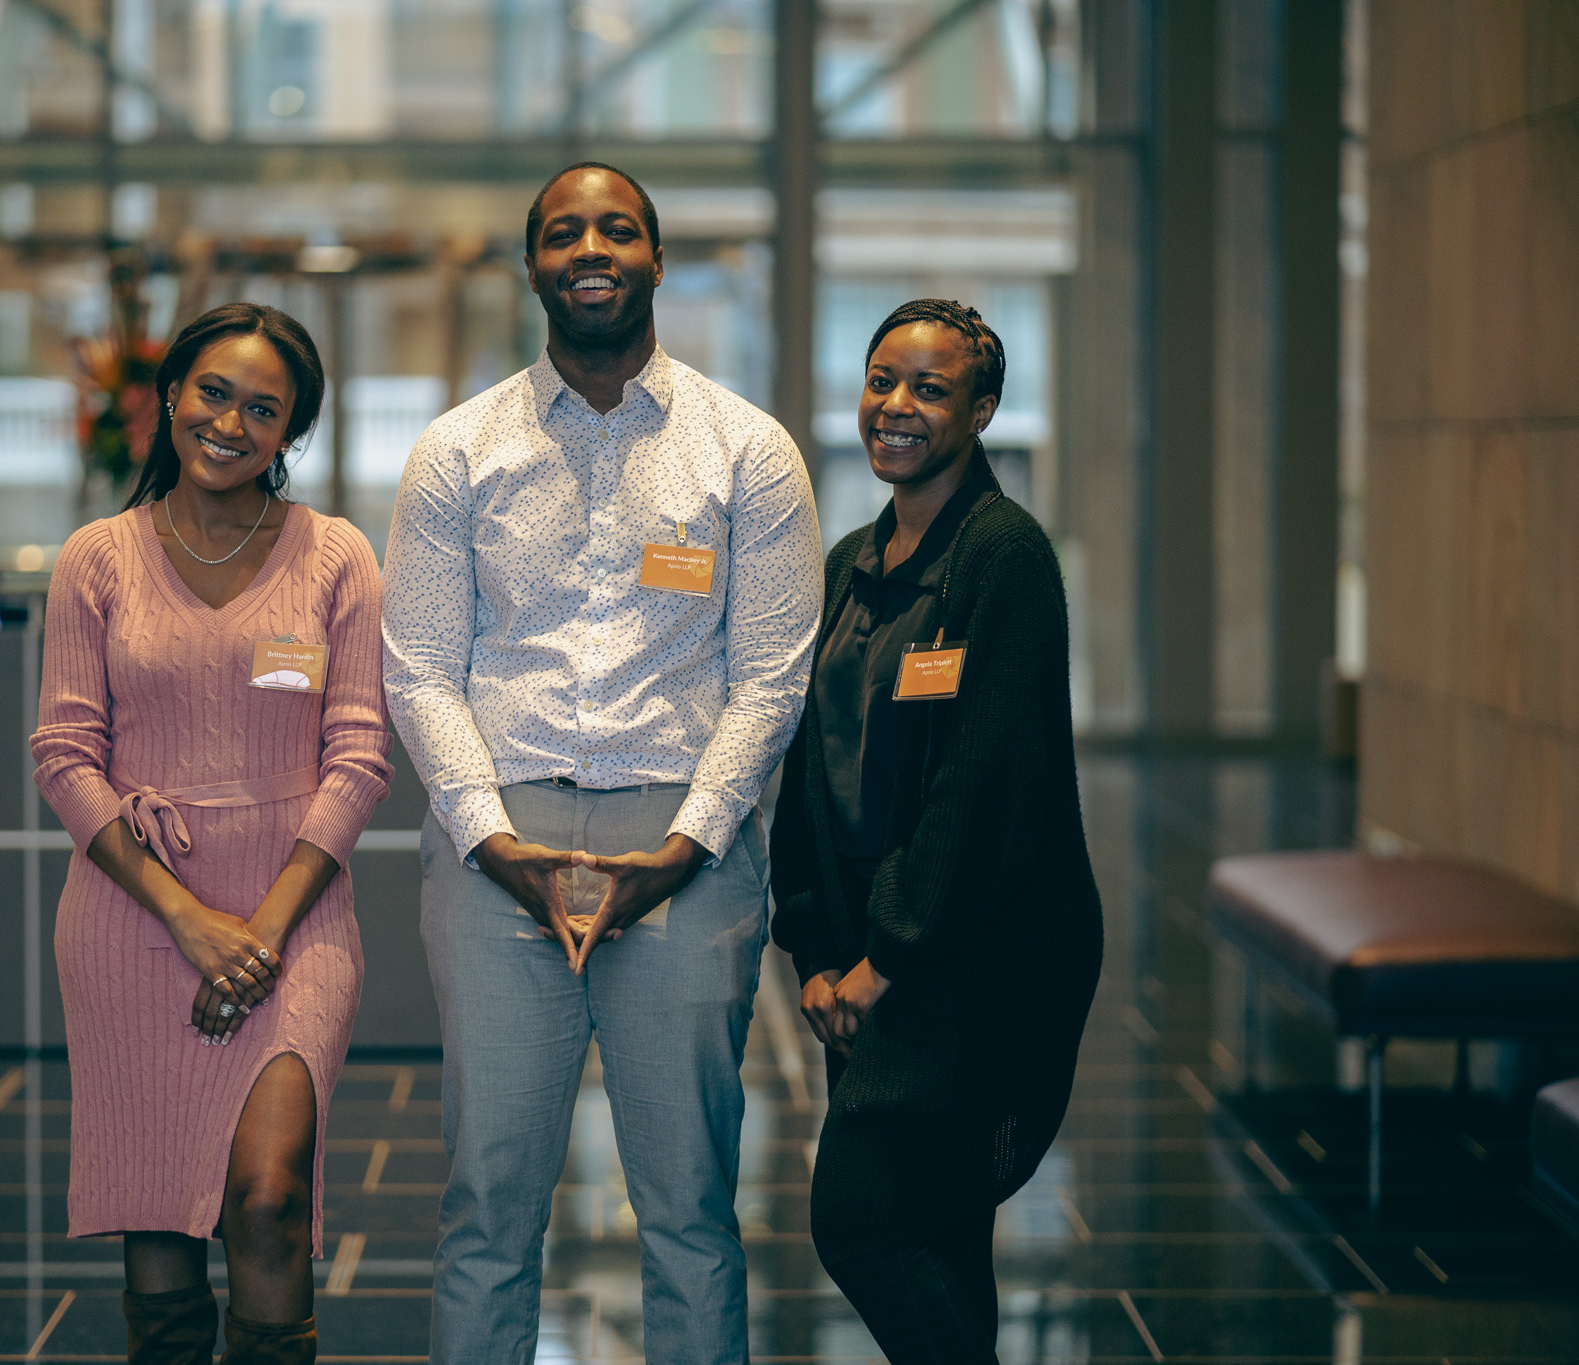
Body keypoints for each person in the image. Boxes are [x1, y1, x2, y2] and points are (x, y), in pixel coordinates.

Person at [382, 162, 821, 1363]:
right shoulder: (456, 450)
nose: (591, 250)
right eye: (564, 233)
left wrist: (685, 846)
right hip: (494, 849)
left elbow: (772, 678)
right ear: (531, 264)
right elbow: (417, 671)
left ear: (655, 260)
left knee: (689, 1208)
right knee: (486, 1204)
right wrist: (492, 841)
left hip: (685, 848)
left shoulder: (747, 451)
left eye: (616, 230)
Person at [31, 302, 393, 1365]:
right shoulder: (96, 558)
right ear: (171, 395)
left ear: (291, 433)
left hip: (295, 917)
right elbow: (64, 755)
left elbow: (360, 755)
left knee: (268, 1196)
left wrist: (261, 933)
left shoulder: (336, 556)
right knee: (157, 1222)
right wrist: (189, 921)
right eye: (214, 394)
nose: (231, 423)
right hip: (135, 917)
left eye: (263, 409)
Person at [769, 299, 1102, 1362]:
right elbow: (806, 768)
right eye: (881, 381)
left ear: (982, 411)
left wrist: (889, 959)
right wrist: (818, 953)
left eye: (930, 388)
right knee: (941, 1229)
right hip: (863, 950)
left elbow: (984, 785)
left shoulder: (1002, 555)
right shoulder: (848, 563)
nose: (895, 406)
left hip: (968, 956)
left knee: (860, 1219)